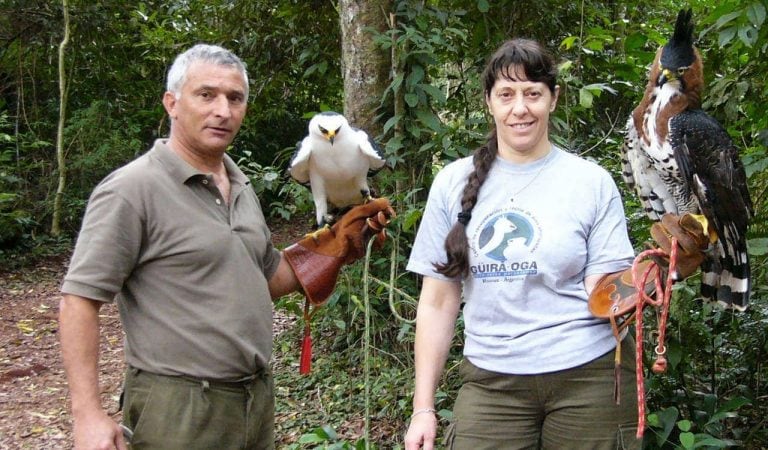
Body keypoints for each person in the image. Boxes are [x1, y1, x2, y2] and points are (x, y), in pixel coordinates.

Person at [59, 43, 394, 450]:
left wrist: (338, 240)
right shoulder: (131, 189)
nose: (223, 110)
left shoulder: (240, 186)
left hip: (254, 398)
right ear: (172, 103)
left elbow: (267, 276)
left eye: (235, 98)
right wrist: (87, 413)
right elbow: (79, 299)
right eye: (206, 95)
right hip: (178, 406)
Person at [403, 39, 707, 449]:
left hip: (590, 376)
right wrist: (424, 407)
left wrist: (665, 268)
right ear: (489, 102)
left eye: (533, 93)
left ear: (553, 99)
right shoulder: (452, 183)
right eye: (506, 95)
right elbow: (438, 301)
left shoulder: (588, 181)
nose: (520, 108)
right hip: (493, 382)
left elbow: (602, 291)